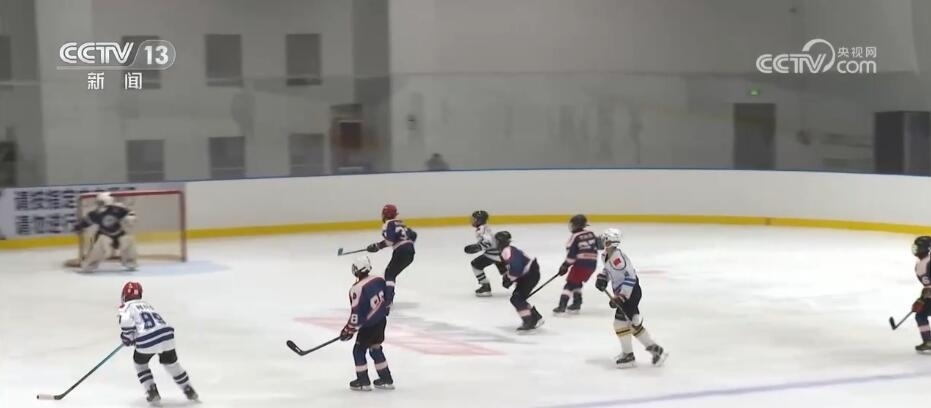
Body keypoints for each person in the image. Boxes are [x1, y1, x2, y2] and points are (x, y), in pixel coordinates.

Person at [595, 228, 668, 368]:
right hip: (626, 293)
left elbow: (631, 277)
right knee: (632, 324)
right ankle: (656, 351)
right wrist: (602, 278)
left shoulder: (618, 259)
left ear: (610, 242)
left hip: (631, 292)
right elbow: (609, 270)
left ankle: (629, 356)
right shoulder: (606, 255)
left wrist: (622, 297)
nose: (601, 241)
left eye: (604, 239)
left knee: (621, 324)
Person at [118, 282, 198, 403]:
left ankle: (152, 391)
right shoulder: (146, 305)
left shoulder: (126, 307)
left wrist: (127, 338)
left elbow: (126, 322)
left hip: (147, 339)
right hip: (167, 336)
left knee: (140, 364)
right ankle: (188, 388)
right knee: (171, 364)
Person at [340, 256, 394, 391]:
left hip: (368, 326)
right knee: (375, 348)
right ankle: (386, 379)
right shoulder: (378, 279)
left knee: (358, 351)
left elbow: (356, 314)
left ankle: (363, 381)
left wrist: (348, 330)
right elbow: (388, 296)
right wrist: (386, 309)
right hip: (381, 321)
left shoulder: (357, 289)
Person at [366, 204, 417, 308]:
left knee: (389, 274)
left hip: (400, 251)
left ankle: (388, 300)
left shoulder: (388, 224)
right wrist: (407, 243)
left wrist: (378, 246)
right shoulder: (401, 223)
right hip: (411, 251)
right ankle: (388, 297)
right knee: (391, 273)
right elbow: (413, 235)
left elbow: (390, 241)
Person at [73, 192, 138, 272]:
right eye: (99, 203)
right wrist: (78, 227)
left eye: (102, 202)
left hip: (119, 234)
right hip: (103, 234)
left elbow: (130, 212)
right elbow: (86, 222)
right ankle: (90, 263)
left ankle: (129, 261)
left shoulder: (117, 209)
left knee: (127, 240)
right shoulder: (95, 214)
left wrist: (130, 217)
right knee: (100, 244)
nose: (100, 205)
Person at [497, 231, 544, 332]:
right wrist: (508, 277)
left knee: (517, 298)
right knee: (518, 298)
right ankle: (535, 317)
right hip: (529, 275)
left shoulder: (507, 251)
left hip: (530, 275)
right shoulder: (509, 250)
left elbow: (517, 268)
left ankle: (529, 321)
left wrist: (509, 279)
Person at [553, 214, 599, 314]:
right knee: (577, 282)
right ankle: (577, 303)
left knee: (569, 284)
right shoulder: (591, 233)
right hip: (592, 265)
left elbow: (571, 255)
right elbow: (600, 245)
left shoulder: (575, 237)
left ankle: (562, 305)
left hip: (581, 265)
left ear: (575, 225)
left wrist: (565, 265)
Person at [463, 210, 508, 297]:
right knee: (505, 271)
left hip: (493, 254)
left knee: (475, 265)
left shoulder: (481, 229)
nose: (473, 221)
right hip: (498, 253)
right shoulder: (484, 227)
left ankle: (485, 287)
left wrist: (478, 247)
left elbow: (488, 241)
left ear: (480, 220)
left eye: (474, 219)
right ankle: (521, 284)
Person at [909, 236, 931, 352]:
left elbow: (929, 288)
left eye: (918, 247)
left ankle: (928, 341)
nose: (915, 249)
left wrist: (921, 300)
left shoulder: (922, 265)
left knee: (921, 315)